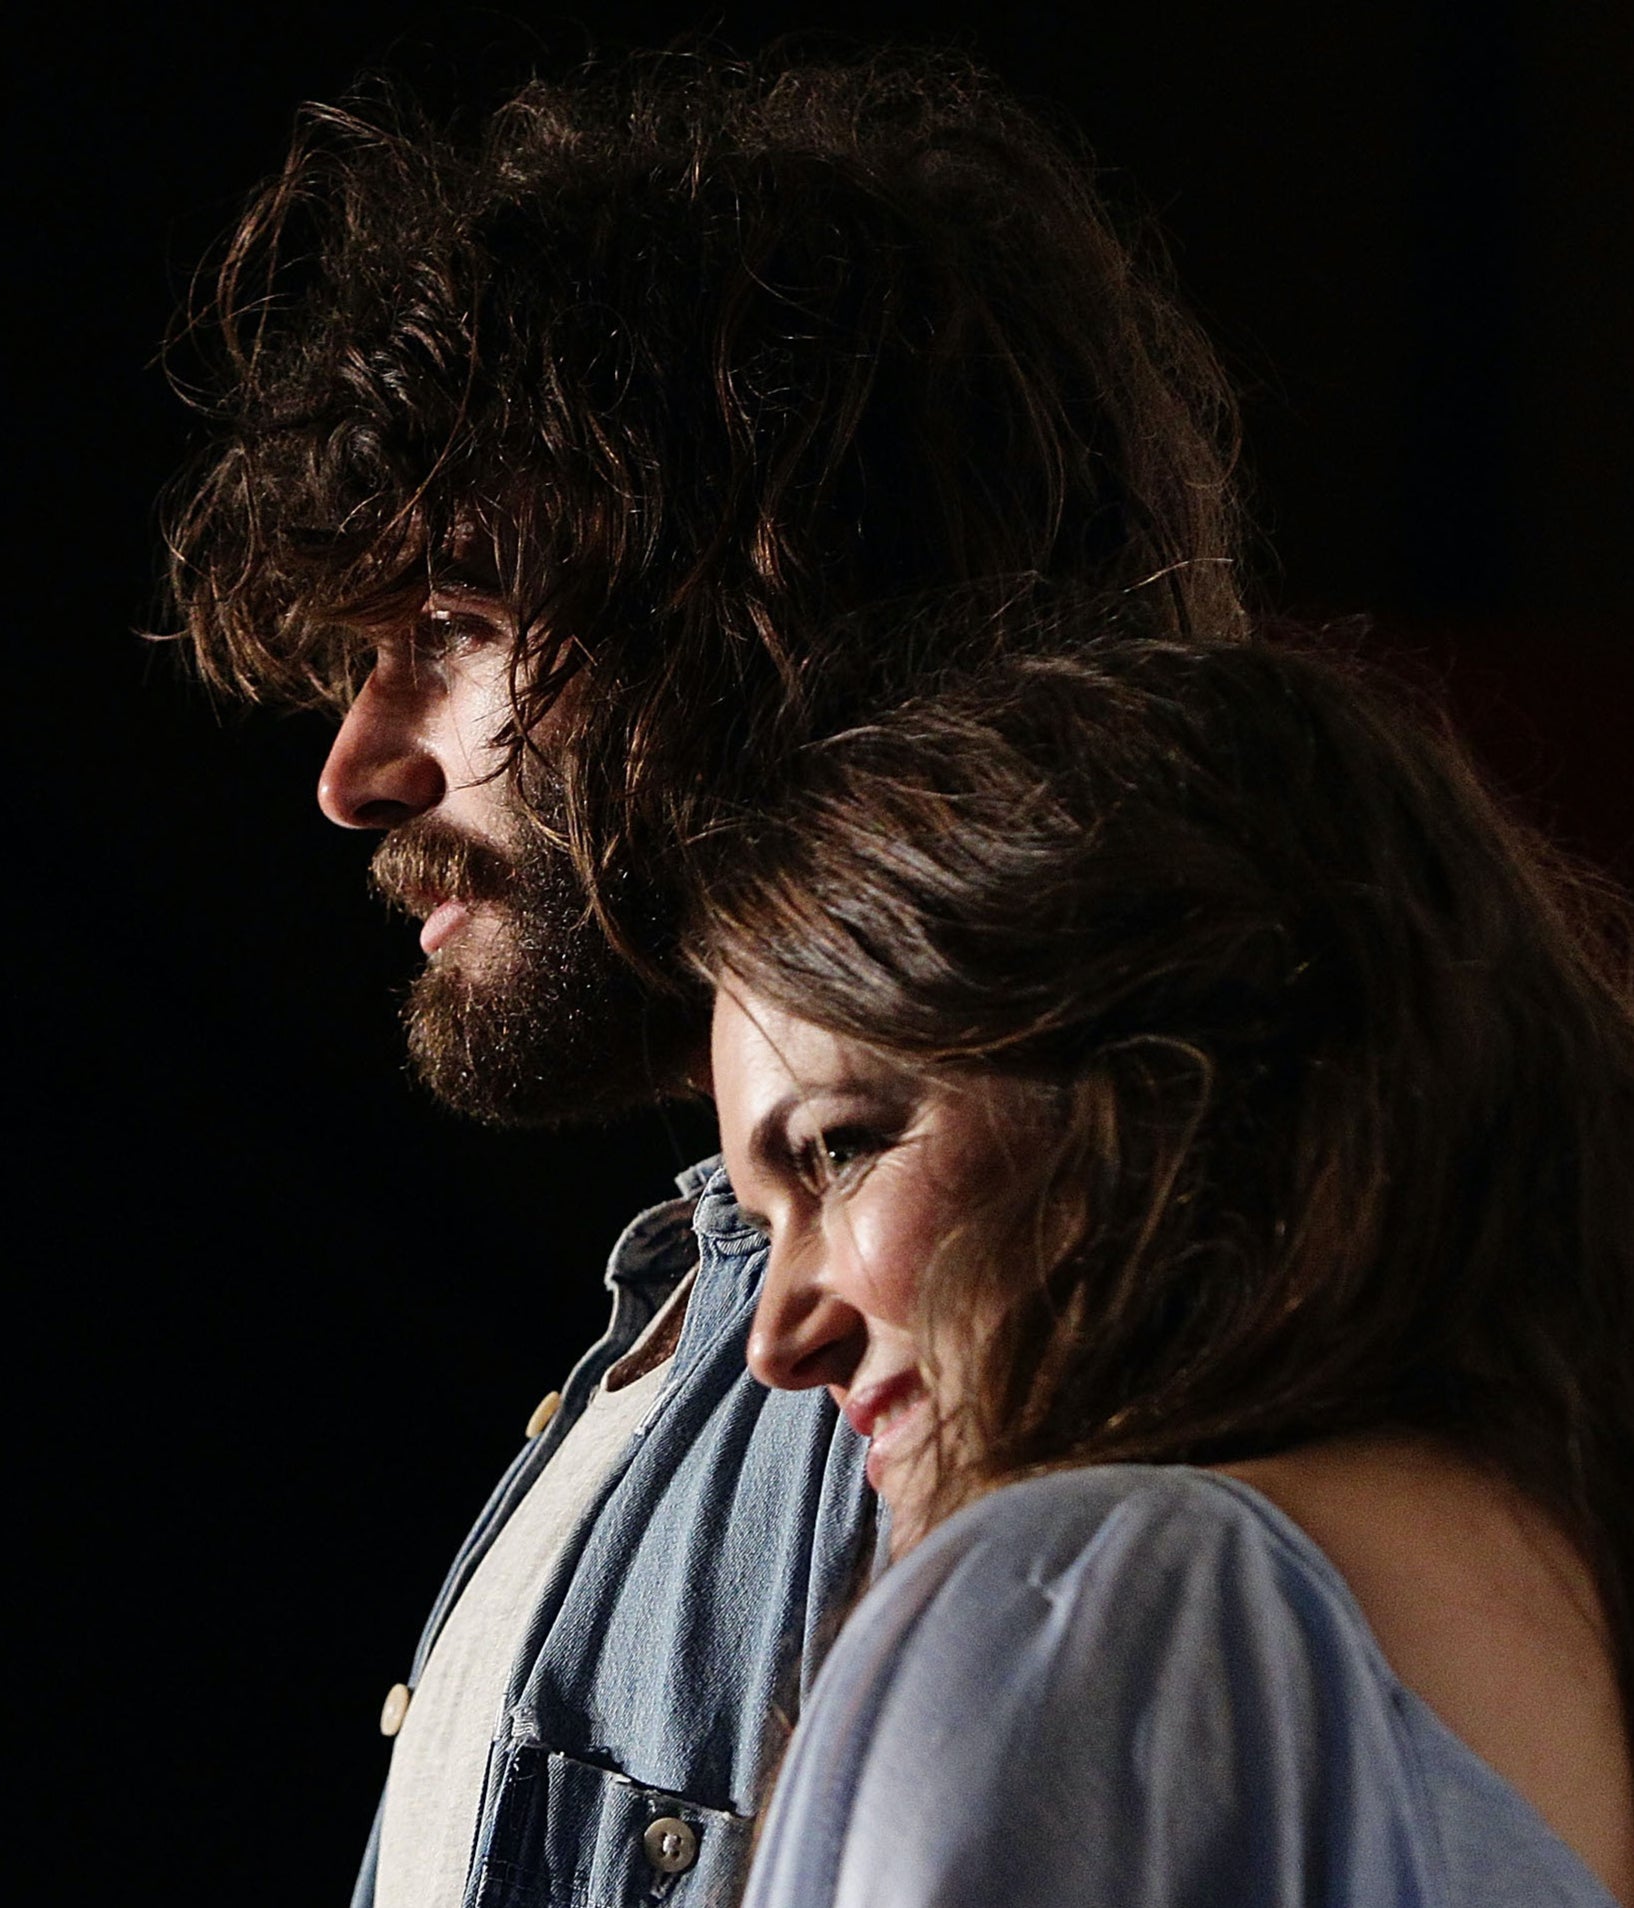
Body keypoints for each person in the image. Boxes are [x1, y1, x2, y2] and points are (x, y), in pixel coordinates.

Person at [161, 45, 1250, 1908]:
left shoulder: (1043, 1318)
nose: (351, 772)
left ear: (772, 605)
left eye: (453, 622)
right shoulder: (679, 1317)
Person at [692, 634, 1634, 1904]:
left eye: (837, 1150)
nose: (774, 1340)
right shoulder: (1573, 1656)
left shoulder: (1098, 1594)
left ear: (1171, 1059)